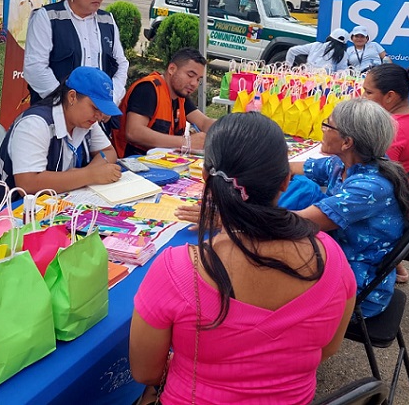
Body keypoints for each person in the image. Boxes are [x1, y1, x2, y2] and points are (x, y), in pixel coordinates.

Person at [130, 113, 356, 404]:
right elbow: (328, 348)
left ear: (205, 179)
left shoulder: (177, 268)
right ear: (287, 181)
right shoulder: (331, 257)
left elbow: (146, 372)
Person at [293, 99, 409, 317]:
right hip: (341, 264)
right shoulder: (346, 164)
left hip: (358, 290)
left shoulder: (369, 188)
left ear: (347, 142)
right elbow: (296, 167)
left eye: (328, 125)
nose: (322, 129)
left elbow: (298, 221)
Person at [0, 66, 122, 213]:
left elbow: (108, 152)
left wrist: (86, 173)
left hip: (54, 207)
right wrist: (90, 175)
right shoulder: (35, 123)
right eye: (95, 108)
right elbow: (28, 184)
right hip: (5, 212)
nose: (99, 115)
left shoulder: (86, 122)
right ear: (72, 97)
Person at [363, 62, 409, 284]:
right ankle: (394, 264)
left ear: (390, 97)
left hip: (401, 212)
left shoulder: (394, 132)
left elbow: (369, 185)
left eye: (368, 92)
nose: (362, 97)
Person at [23, 0, 129, 107]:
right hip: (55, 113)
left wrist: (111, 99)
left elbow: (121, 64)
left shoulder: (107, 20)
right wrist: (67, 105)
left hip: (99, 112)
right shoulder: (47, 17)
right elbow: (35, 68)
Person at [113, 48, 215, 157]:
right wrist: (186, 142)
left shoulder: (180, 95)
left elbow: (204, 122)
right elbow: (133, 132)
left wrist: (230, 129)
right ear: (172, 69)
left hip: (162, 162)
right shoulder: (148, 89)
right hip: (130, 163)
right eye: (190, 75)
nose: (194, 83)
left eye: (198, 79)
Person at [285, 28, 350, 72]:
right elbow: (341, 71)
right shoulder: (343, 54)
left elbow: (292, 51)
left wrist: (288, 66)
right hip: (326, 83)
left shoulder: (316, 45)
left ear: (329, 37)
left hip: (306, 79)